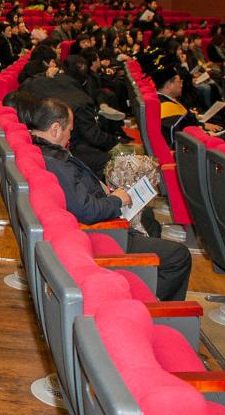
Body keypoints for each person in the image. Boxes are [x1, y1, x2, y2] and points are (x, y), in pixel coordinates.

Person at [27, 97, 191, 301]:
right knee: (179, 256)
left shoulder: (40, 151)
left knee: (148, 218)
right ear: (55, 130)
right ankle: (153, 309)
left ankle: (145, 278)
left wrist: (107, 191)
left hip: (95, 218)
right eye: (69, 130)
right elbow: (87, 211)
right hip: (100, 232)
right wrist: (117, 200)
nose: (70, 136)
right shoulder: (55, 163)